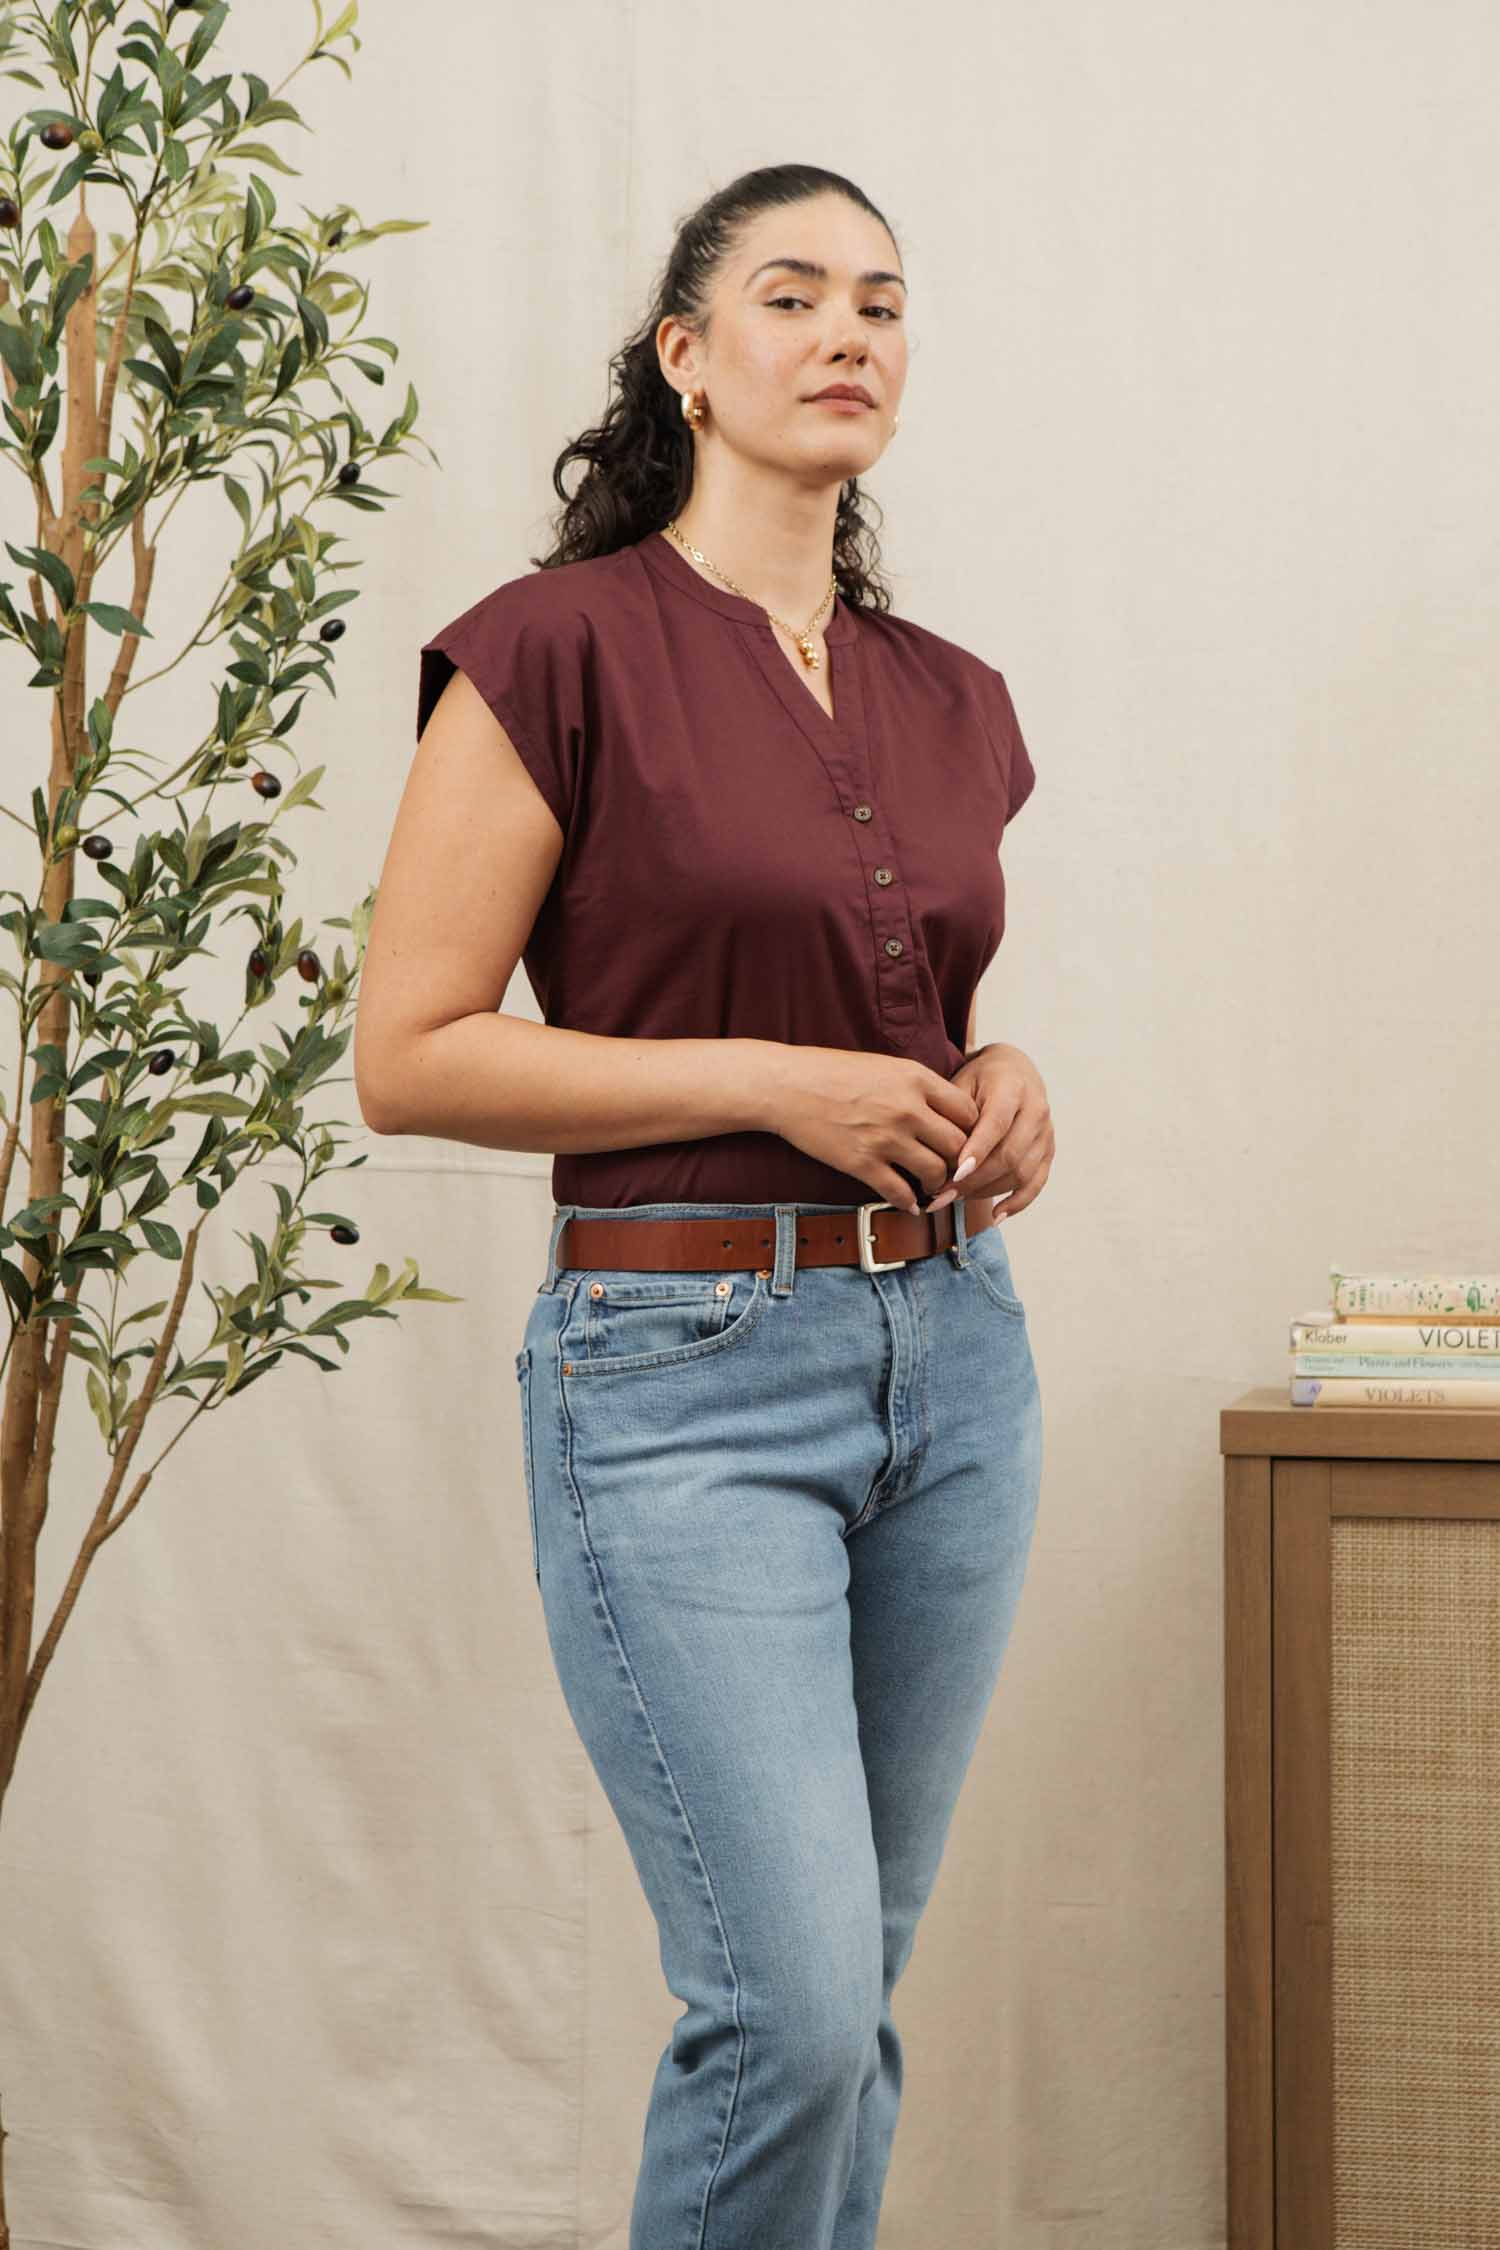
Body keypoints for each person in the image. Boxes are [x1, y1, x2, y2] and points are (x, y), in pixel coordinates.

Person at [356, 160, 1054, 2250]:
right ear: (687, 356)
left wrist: (1005, 1088)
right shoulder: (553, 650)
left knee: (855, 1997)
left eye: (884, 303)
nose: (849, 333)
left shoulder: (955, 697)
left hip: (957, 1376)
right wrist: (761, 1085)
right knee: (795, 2009)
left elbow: (919, 1028)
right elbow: (413, 1051)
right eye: (791, 295)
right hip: (681, 1380)